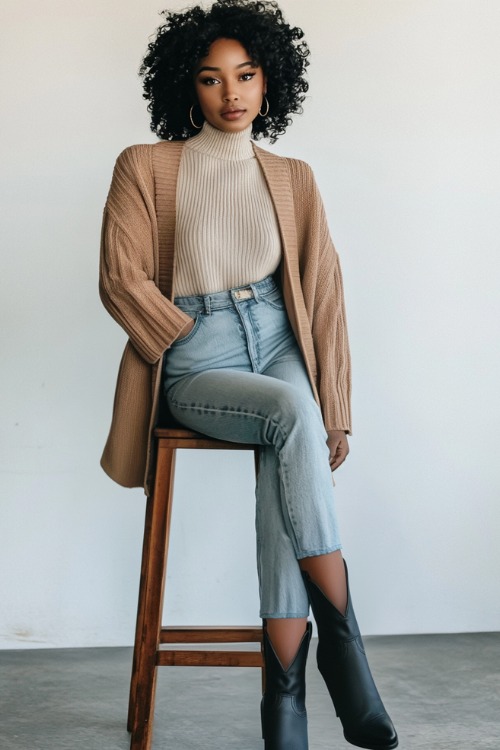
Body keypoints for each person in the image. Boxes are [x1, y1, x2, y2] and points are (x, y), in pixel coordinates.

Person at [99, 1, 398, 748]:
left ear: (271, 81)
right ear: (186, 88)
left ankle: (285, 707)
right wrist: (181, 333)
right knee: (287, 416)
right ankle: (345, 651)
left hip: (279, 339)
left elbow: (323, 295)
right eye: (210, 79)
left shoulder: (294, 177)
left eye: (246, 74)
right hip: (198, 353)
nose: (231, 93)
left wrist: (339, 407)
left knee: (289, 442)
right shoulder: (146, 166)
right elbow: (120, 276)